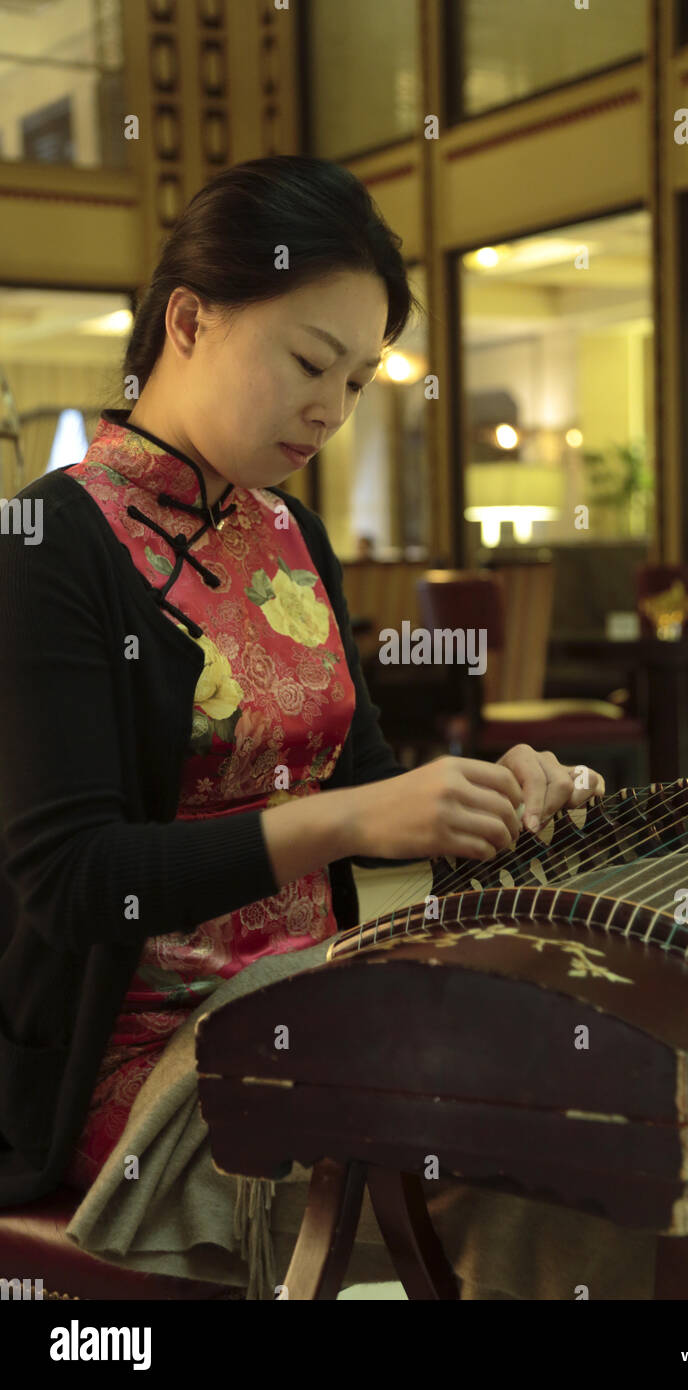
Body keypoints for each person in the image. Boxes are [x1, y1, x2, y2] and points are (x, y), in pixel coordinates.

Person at [0, 156, 605, 1294]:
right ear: (188, 319)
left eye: (361, 379)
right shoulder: (49, 543)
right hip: (141, 1064)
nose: (331, 408)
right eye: (309, 361)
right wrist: (343, 816)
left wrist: (477, 792)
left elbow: (363, 785)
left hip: (310, 993)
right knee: (556, 1176)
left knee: (608, 1115)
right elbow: (73, 880)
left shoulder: (287, 534)